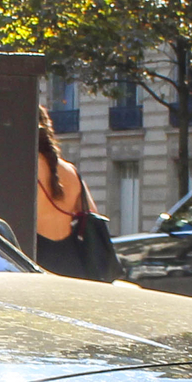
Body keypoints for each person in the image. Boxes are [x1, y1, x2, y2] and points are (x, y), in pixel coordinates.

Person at [33, 110, 118, 281]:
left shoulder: (24, 167)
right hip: (74, 263)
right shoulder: (70, 170)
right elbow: (91, 213)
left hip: (38, 260)